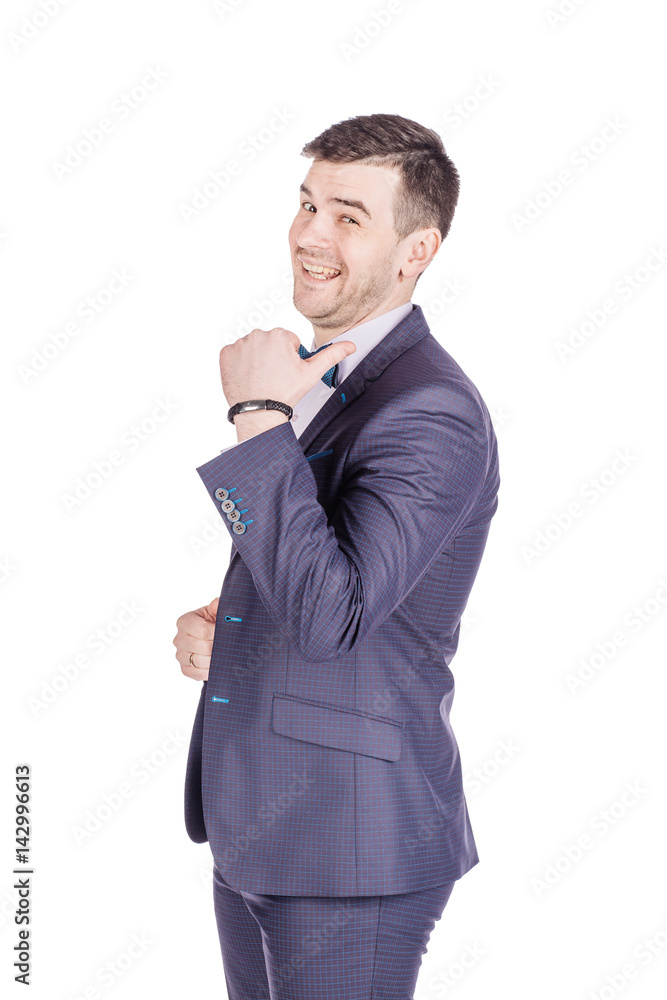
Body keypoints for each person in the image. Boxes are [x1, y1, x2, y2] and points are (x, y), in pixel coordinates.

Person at [173, 112, 500, 999]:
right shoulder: (330, 374)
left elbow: (330, 620)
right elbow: (316, 575)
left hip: (352, 844)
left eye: (348, 216)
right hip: (261, 823)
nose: (309, 234)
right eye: (307, 202)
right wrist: (229, 625)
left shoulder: (429, 408)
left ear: (416, 250)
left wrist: (254, 420)